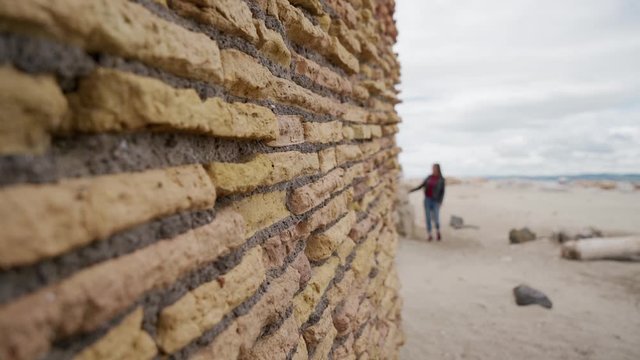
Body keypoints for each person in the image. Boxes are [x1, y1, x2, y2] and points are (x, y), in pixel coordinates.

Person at [410, 163, 445, 241]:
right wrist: (411, 190)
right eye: (432, 168)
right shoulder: (429, 177)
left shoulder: (441, 179)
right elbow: (421, 185)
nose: (433, 169)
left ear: (438, 169)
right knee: (428, 217)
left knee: (436, 218)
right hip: (427, 200)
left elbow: (442, 192)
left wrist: (440, 202)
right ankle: (429, 234)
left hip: (436, 201)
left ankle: (438, 231)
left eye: (434, 168)